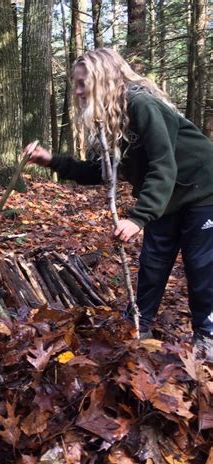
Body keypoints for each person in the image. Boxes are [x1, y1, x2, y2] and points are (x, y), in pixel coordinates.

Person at [24, 48, 213, 357]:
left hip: (204, 189)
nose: (78, 91)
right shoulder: (112, 120)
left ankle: (207, 336)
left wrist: (139, 217)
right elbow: (102, 172)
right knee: (153, 262)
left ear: (104, 80)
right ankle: (139, 325)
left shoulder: (142, 105)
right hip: (169, 195)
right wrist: (51, 160)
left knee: (201, 266)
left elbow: (164, 165)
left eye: (83, 83)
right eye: (76, 84)